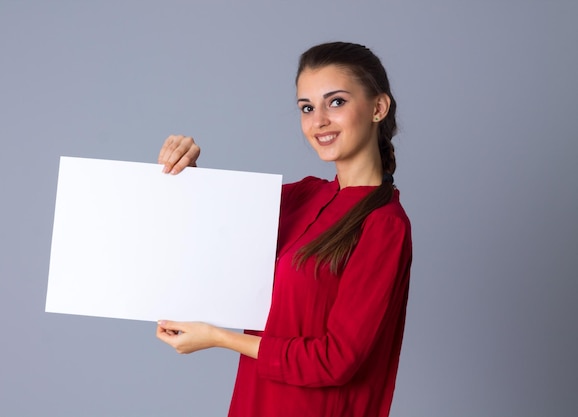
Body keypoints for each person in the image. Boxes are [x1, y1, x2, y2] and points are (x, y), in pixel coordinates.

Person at [156, 41, 412, 417]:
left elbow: (335, 360)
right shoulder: (303, 196)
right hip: (255, 402)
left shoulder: (384, 225)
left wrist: (219, 338)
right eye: (307, 108)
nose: (318, 120)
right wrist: (186, 170)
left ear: (378, 107)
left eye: (336, 102)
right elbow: (210, 228)